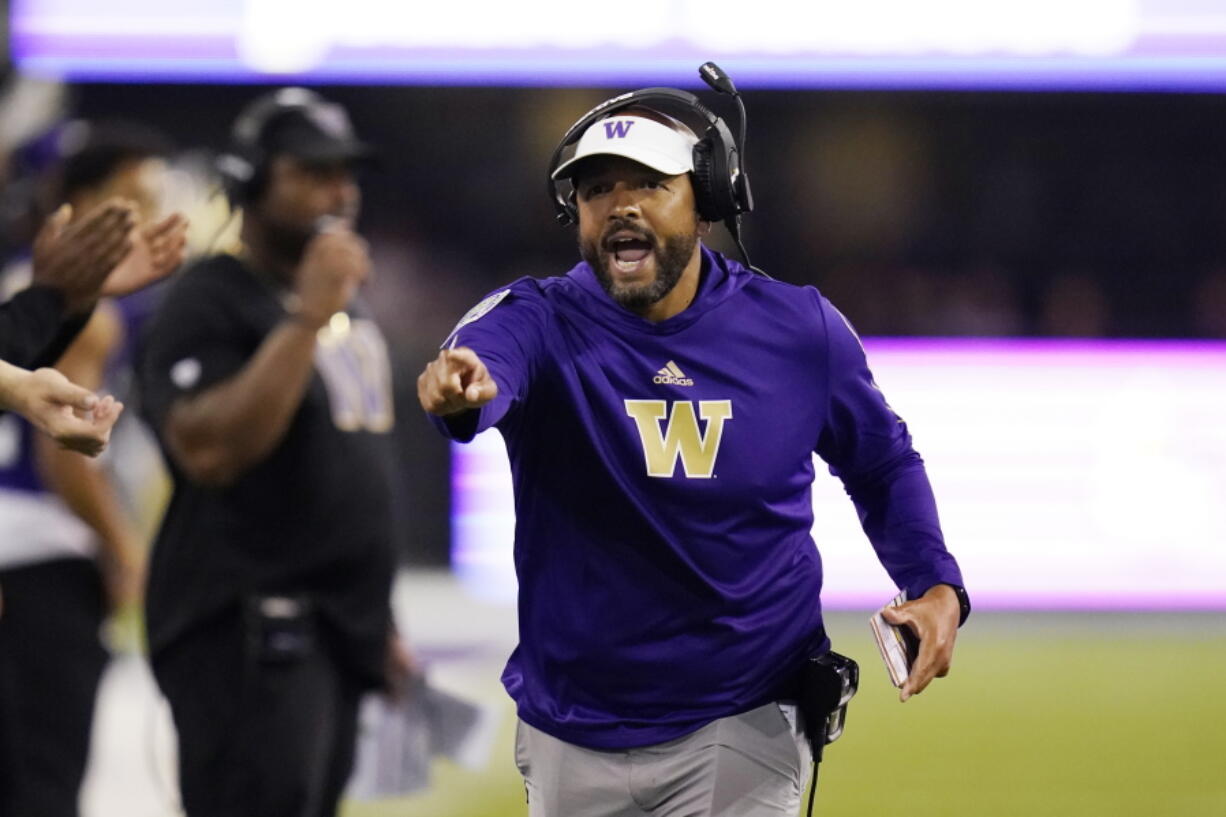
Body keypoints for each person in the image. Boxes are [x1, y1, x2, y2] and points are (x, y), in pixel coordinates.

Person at [417, 78, 971, 817]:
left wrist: (934, 583)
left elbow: (880, 460)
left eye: (649, 182)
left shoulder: (798, 330)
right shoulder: (537, 322)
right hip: (571, 727)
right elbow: (481, 374)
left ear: (707, 200)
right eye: (597, 188)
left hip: (744, 717)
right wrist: (463, 393)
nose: (620, 204)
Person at [136, 88, 408, 817]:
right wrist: (306, 315)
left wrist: (376, 619)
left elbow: (349, 469)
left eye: (345, 172)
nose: (338, 191)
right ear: (252, 177)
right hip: (248, 633)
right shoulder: (209, 297)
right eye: (312, 171)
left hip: (331, 630)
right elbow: (209, 450)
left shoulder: (340, 300)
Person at [0, 118, 185, 817]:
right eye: (132, 199)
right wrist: (126, 549)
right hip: (41, 556)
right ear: (76, 203)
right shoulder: (95, 315)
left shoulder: (32, 288)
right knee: (44, 784)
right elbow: (62, 452)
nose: (152, 215)